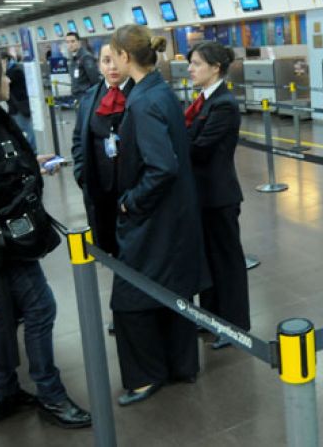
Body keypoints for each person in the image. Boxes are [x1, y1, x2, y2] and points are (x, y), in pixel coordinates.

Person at [0, 51, 92, 429]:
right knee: (41, 307)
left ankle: (4, 391)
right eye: (3, 76)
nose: (10, 81)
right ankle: (51, 395)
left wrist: (27, 165)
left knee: (8, 310)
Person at [108, 25, 206, 406]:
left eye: (113, 54)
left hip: (154, 216)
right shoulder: (160, 91)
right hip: (177, 213)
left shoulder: (142, 102)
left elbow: (161, 165)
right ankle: (182, 365)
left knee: (131, 296)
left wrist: (131, 201)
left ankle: (146, 375)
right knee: (173, 289)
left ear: (125, 56)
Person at [185, 41, 250, 349]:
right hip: (201, 195)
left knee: (227, 261)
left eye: (196, 64)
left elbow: (199, 148)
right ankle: (212, 317)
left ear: (215, 68)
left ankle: (236, 325)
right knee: (208, 258)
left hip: (219, 194)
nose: (190, 69)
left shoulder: (223, 104)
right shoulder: (202, 100)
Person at [71, 44, 135, 256]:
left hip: (131, 189)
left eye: (117, 60)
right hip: (99, 187)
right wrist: (81, 174)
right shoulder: (90, 97)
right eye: (106, 61)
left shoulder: (140, 94)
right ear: (99, 65)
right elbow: (78, 138)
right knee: (107, 245)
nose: (112, 67)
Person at [0, 53, 36, 151]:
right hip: (14, 107)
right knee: (11, 133)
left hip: (20, 106)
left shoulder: (15, 71)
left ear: (6, 60)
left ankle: (31, 151)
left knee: (27, 130)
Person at [65, 32, 101, 99]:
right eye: (67, 42)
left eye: (73, 41)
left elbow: (95, 79)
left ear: (79, 42)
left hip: (86, 96)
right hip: (77, 97)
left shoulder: (86, 57)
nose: (70, 45)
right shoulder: (73, 59)